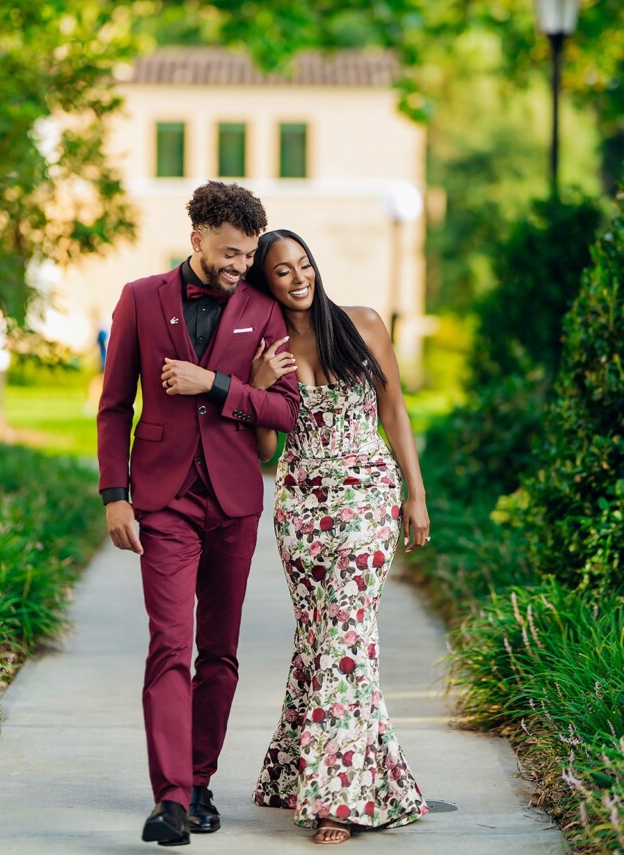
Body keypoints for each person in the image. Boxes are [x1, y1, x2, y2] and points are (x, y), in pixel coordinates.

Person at [97, 183, 300, 847]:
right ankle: (171, 800)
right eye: (230, 253)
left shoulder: (265, 312)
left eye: (248, 256)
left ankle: (202, 781)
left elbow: (288, 411)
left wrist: (217, 384)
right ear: (197, 239)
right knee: (167, 644)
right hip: (162, 500)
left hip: (235, 499)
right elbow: (112, 406)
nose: (241, 265)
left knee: (219, 651)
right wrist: (114, 494)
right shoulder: (139, 298)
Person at [245, 229, 431, 846]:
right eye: (281, 272)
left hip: (369, 499)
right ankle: (298, 770)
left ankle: (339, 799)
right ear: (263, 282)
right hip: (300, 507)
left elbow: (394, 409)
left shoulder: (364, 324)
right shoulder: (269, 352)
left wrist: (416, 493)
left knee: (348, 637)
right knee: (321, 639)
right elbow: (268, 451)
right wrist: (256, 382)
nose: (298, 278)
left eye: (303, 265)